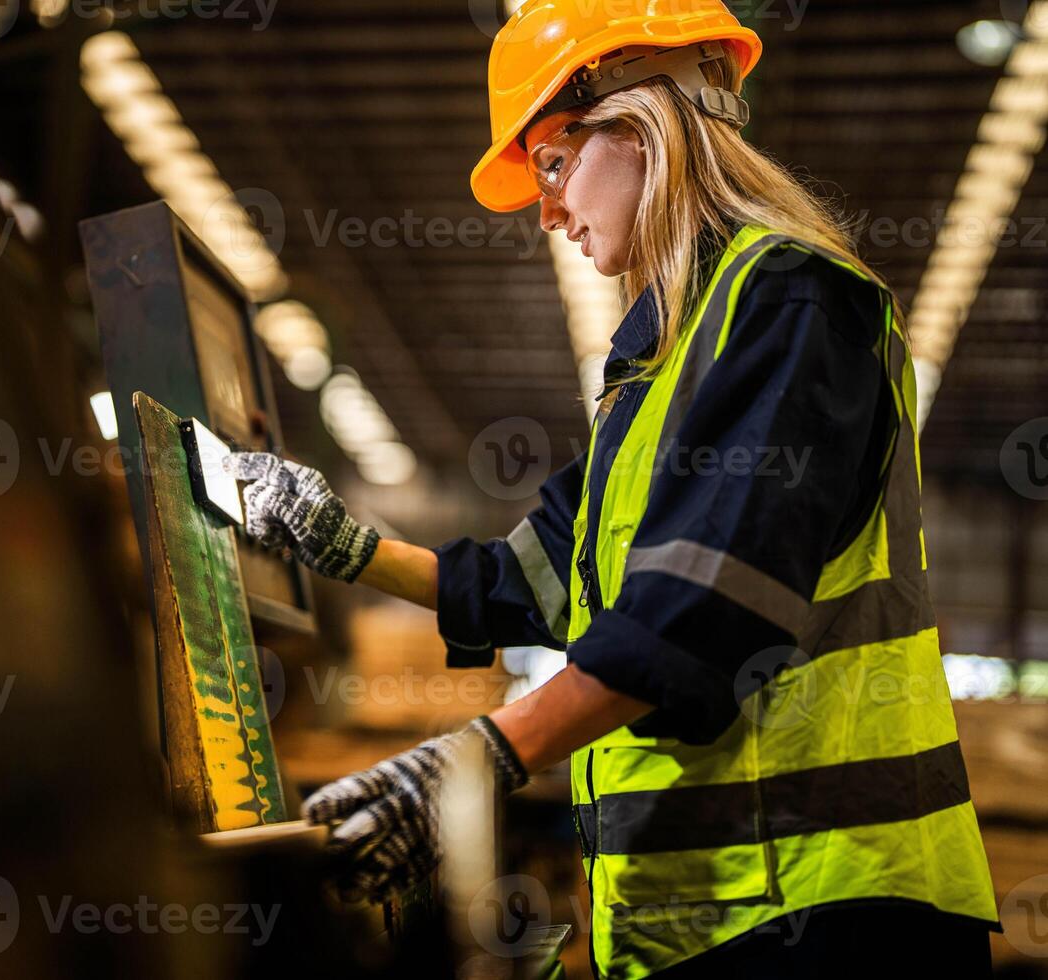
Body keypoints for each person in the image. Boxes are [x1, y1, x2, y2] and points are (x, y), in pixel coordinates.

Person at [225, 1, 1003, 977]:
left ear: (641, 122)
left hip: (835, 906)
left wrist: (476, 760)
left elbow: (705, 610)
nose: (547, 210)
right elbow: (538, 581)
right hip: (718, 916)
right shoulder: (661, 363)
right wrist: (339, 542)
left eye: (550, 163)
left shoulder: (791, 303)